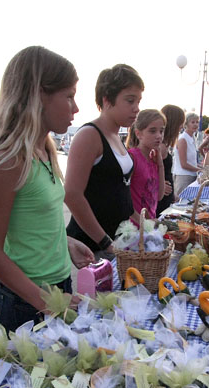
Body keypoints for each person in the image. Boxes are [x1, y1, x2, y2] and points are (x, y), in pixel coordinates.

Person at [0, 46, 94, 335]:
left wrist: (65, 241)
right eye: (69, 96)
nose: (75, 108)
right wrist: (49, 303)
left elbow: (33, 215)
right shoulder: (9, 159)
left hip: (59, 286)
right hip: (26, 299)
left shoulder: (45, 150)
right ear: (39, 95)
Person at [64, 64, 143, 258]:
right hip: (94, 246)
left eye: (138, 101)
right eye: (130, 101)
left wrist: (144, 223)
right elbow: (72, 194)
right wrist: (105, 242)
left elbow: (118, 191)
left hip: (118, 241)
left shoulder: (116, 136)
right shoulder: (89, 135)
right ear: (107, 99)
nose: (137, 109)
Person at [125, 109, 166, 220]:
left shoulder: (153, 159)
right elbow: (123, 200)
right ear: (139, 134)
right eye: (152, 131)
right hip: (134, 225)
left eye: (161, 131)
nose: (158, 136)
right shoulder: (132, 157)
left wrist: (160, 166)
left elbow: (159, 196)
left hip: (149, 222)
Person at [155, 104, 183, 216]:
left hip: (166, 196)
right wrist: (158, 184)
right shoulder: (161, 147)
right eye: (180, 123)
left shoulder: (164, 144)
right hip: (161, 199)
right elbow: (149, 171)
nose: (181, 127)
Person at [172, 112, 202, 198]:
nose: (195, 124)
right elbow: (184, 164)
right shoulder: (183, 139)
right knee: (182, 201)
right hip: (183, 177)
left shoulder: (192, 138)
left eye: (197, 122)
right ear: (186, 124)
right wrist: (199, 170)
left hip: (191, 175)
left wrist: (200, 167)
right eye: (192, 122)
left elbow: (191, 161)